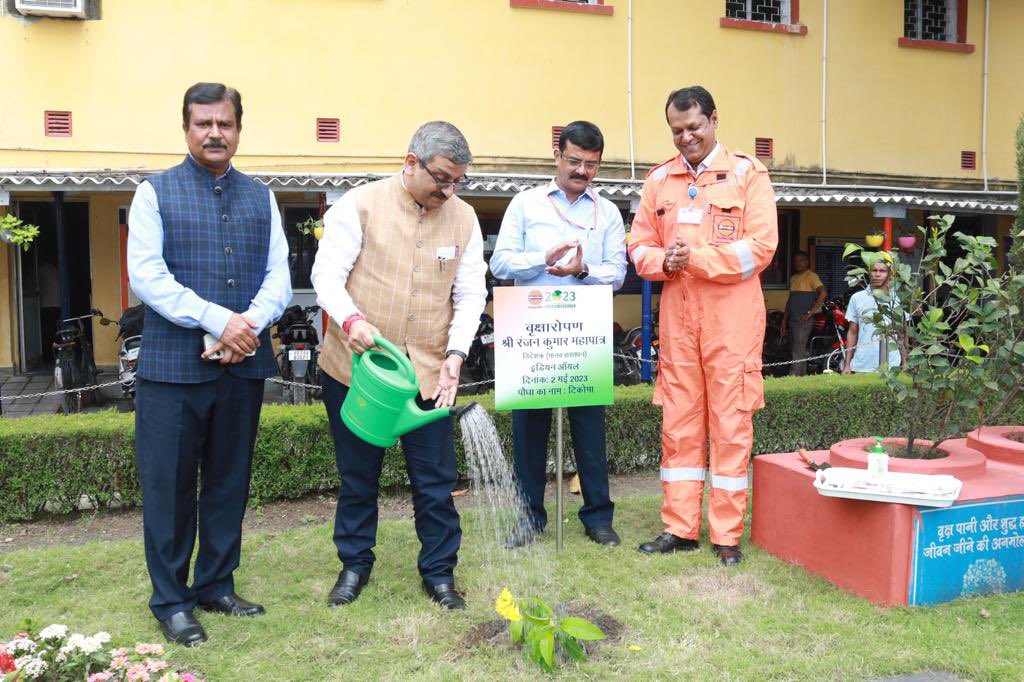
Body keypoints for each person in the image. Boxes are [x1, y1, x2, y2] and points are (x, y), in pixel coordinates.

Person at [127, 82, 291, 646]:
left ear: (239, 129)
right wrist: (216, 320)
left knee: (228, 483)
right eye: (204, 124)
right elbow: (147, 276)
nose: (215, 133)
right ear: (187, 129)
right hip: (172, 372)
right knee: (169, 488)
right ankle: (171, 600)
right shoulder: (155, 193)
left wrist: (244, 327)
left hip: (240, 367)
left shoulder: (261, 196)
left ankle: (216, 585)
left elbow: (279, 276)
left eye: (224, 123)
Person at [311, 121, 487, 610]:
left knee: (435, 481)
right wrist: (350, 319)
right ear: (410, 162)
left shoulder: (465, 218)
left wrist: (455, 354)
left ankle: (439, 572)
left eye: (459, 182)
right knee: (358, 477)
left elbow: (471, 292)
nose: (450, 191)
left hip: (429, 370)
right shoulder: (359, 205)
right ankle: (354, 565)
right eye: (442, 179)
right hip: (358, 371)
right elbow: (325, 274)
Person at [628, 86, 778, 566]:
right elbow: (638, 248)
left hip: (731, 322)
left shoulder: (747, 175)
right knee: (679, 425)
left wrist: (696, 259)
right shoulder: (659, 181)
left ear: (713, 119)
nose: (686, 138)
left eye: (694, 127)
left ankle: (727, 535)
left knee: (731, 425)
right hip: (678, 321)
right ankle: (680, 528)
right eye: (677, 131)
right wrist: (664, 262)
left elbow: (760, 248)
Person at [489, 120, 627, 549]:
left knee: (589, 427)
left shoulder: (608, 212)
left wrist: (582, 270)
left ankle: (597, 517)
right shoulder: (525, 204)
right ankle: (529, 517)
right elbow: (500, 264)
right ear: (557, 156)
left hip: (583, 331)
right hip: (531, 330)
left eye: (591, 164)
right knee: (528, 430)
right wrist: (540, 258)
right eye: (574, 161)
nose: (581, 171)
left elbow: (618, 274)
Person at [842, 260, 905, 373]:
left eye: (882, 271)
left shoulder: (898, 299)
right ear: (868, 273)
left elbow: (902, 333)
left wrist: (905, 363)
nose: (877, 274)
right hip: (862, 364)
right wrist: (847, 364)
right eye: (874, 270)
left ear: (890, 275)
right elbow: (852, 332)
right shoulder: (857, 298)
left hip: (892, 364)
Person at [780, 251, 827, 376]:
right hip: (793, 320)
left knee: (798, 349)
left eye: (801, 260)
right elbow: (790, 300)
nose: (798, 263)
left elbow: (823, 293)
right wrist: (784, 320)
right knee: (796, 349)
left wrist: (811, 313)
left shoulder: (811, 276)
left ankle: (793, 376)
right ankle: (802, 376)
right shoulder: (794, 278)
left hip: (803, 320)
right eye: (796, 261)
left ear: (807, 262)